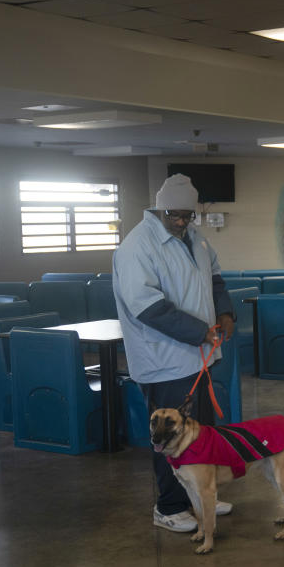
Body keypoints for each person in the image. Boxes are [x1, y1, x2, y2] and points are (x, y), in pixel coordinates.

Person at [113, 173, 236, 532]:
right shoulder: (137, 246)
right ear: (159, 209)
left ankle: (203, 495)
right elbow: (147, 307)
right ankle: (168, 506)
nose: (181, 222)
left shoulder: (195, 240)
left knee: (201, 434)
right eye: (174, 216)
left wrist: (225, 312)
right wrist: (199, 332)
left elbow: (215, 279)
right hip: (164, 360)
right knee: (171, 438)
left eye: (187, 215)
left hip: (199, 355)